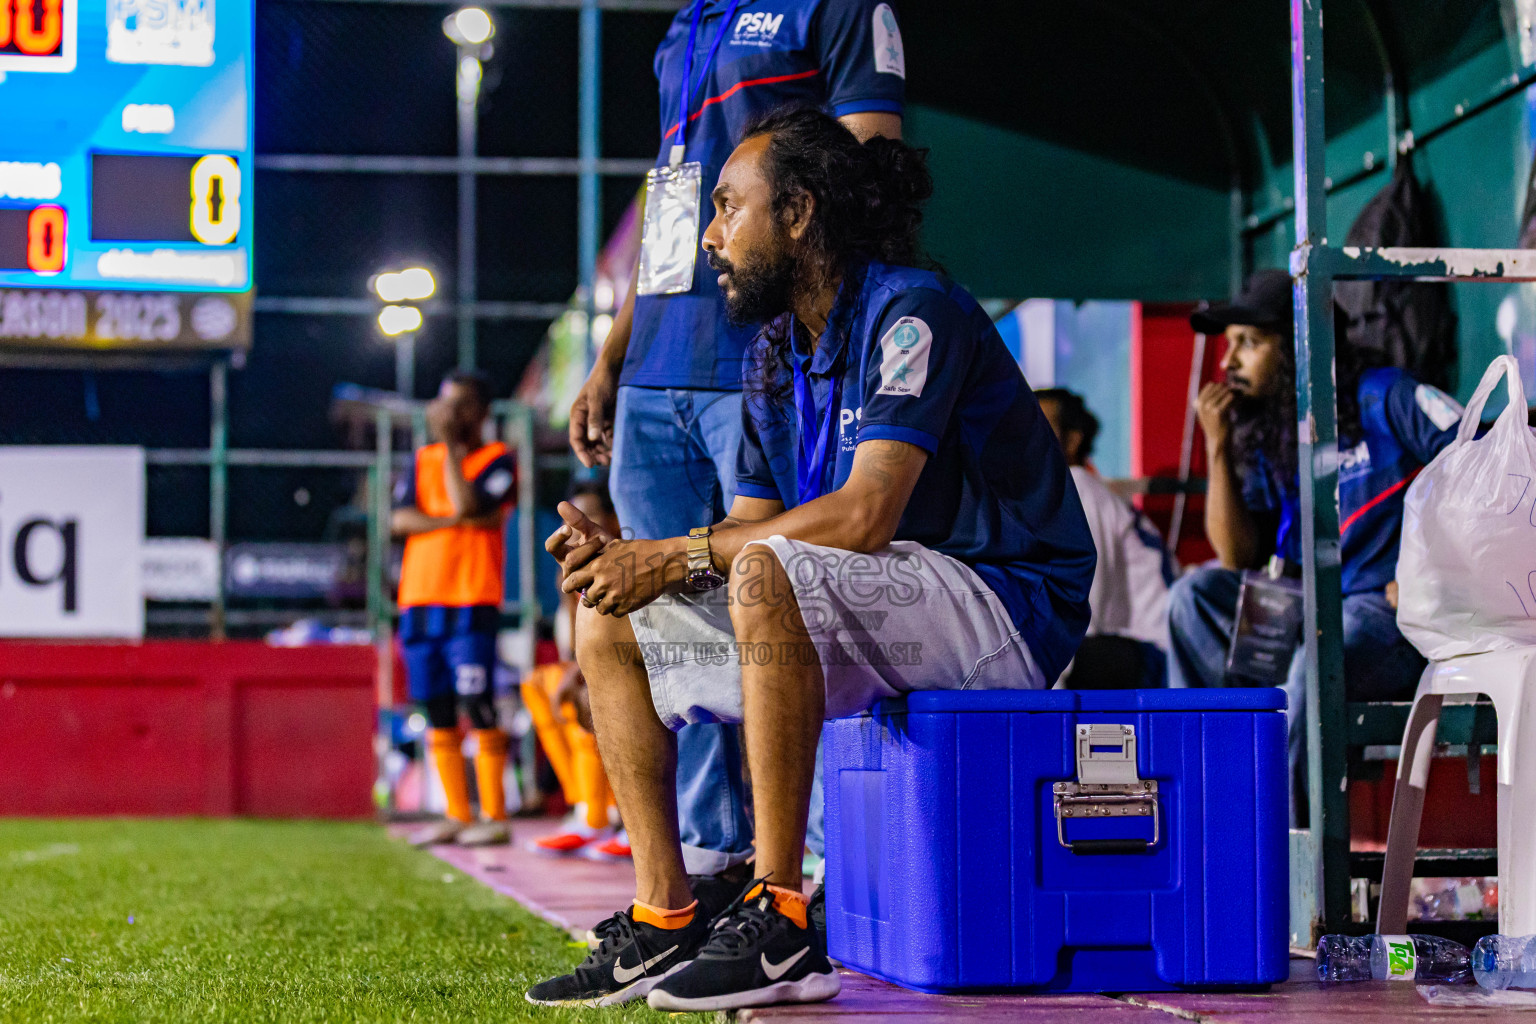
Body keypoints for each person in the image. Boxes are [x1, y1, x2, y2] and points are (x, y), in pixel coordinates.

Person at [526, 107, 1095, 1011]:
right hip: (879, 605)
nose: (709, 235)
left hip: (1005, 606)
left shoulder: (914, 310)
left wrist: (673, 553)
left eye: (727, 207)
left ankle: (782, 916)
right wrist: (634, 564)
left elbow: (865, 515)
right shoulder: (771, 356)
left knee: (762, 569)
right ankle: (667, 912)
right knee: (612, 617)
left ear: (797, 213)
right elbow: (751, 531)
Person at [565, 0, 909, 912]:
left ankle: (829, 869)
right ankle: (711, 865)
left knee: (787, 594)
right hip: (655, 368)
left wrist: (831, 332)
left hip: (761, 354)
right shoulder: (682, 30)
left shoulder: (832, 8)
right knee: (665, 619)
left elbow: (868, 173)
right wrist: (611, 356)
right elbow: (672, 205)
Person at [1166, 269, 1463, 792]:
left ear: (1301, 346)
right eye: (1229, 344)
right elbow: (1238, 556)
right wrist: (1217, 447)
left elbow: (1488, 471)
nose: (1228, 361)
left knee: (1315, 659)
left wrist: (1430, 572)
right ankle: (1212, 786)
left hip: (1387, 615)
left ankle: (1291, 847)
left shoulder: (1385, 395)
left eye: (1249, 343)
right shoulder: (1269, 426)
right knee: (1192, 596)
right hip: (1306, 604)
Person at [392, 371, 518, 848]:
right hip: (420, 600)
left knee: (477, 703)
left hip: (471, 599)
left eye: (461, 405)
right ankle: (457, 815)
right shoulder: (421, 459)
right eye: (445, 403)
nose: (450, 414)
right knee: (437, 708)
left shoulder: (497, 459)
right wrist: (452, 521)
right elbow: (399, 519)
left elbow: (470, 504)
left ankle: (495, 815)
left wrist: (451, 449)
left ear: (483, 412)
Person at [1036, 388, 1172, 688]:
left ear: (1072, 441)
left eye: (1036, 425)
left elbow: (1083, 613)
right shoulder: (1067, 493)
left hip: (1154, 656)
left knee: (1045, 653)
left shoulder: (1080, 491)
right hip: (1126, 650)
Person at [520, 480, 626, 859]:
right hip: (585, 659)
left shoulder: (623, 558)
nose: (578, 530)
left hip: (620, 663)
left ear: (613, 519)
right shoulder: (572, 559)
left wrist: (577, 671)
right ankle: (586, 805)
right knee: (538, 685)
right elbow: (575, 632)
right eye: (569, 523)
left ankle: (606, 814)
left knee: (583, 696)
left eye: (589, 518)